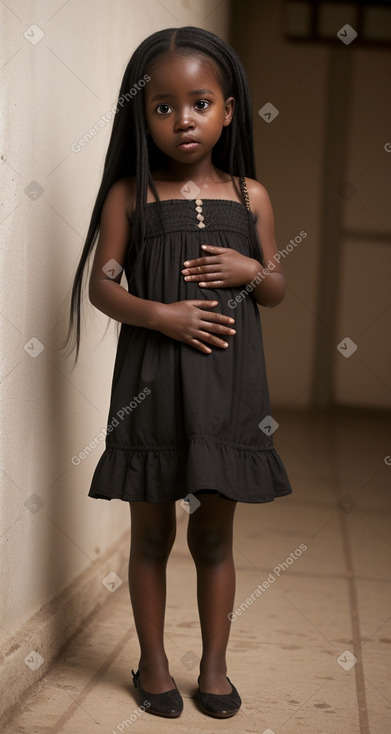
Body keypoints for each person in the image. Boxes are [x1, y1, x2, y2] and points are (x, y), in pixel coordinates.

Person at [64, 25, 293, 719]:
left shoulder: (249, 196)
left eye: (199, 102)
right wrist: (160, 316)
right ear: (141, 114)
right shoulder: (130, 197)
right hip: (152, 389)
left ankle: (214, 667)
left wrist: (253, 269)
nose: (182, 118)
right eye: (162, 106)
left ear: (227, 110)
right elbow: (104, 286)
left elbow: (278, 288)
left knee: (215, 533)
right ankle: (153, 663)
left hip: (229, 390)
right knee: (154, 533)